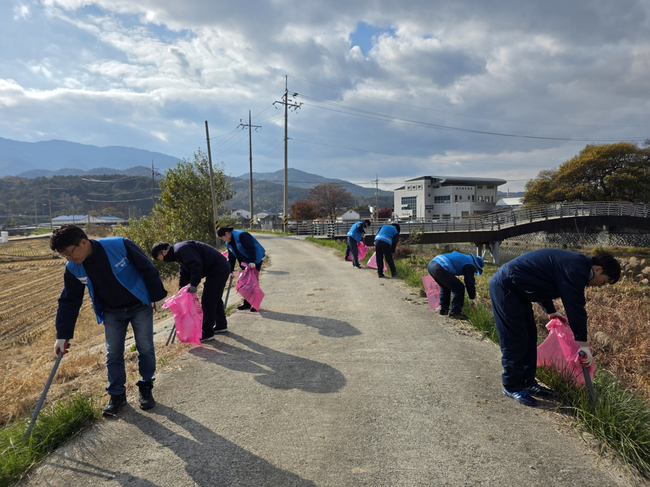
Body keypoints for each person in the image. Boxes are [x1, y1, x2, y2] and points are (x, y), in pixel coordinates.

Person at [50, 225, 168, 416]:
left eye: (69, 253)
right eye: (63, 256)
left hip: (139, 304)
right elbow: (69, 301)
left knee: (145, 347)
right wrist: (63, 335)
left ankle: (146, 386)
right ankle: (117, 394)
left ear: (83, 242)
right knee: (112, 353)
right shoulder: (73, 267)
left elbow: (147, 268)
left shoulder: (120, 245)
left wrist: (157, 295)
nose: (69, 259)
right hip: (111, 311)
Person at [489, 249, 620, 407]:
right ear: (598, 270)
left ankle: (527, 382)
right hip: (506, 287)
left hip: (519, 290)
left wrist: (550, 310)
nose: (600, 286)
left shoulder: (575, 265)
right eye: (604, 281)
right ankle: (512, 386)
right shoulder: (576, 269)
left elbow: (541, 281)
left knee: (530, 337)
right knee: (515, 339)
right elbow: (575, 307)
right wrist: (583, 345)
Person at [151, 240, 231, 342]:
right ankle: (221, 325)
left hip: (218, 269)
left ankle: (207, 332)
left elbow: (195, 264)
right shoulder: (178, 252)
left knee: (208, 300)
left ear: (164, 252)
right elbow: (184, 271)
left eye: (161, 259)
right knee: (214, 298)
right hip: (217, 268)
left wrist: (194, 283)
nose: (164, 261)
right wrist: (181, 289)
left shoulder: (181, 249)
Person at [217, 227, 266, 311]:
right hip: (244, 261)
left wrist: (252, 261)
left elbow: (250, 248)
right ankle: (247, 303)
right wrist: (230, 270)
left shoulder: (241, 235)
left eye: (223, 238)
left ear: (227, 233)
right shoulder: (228, 243)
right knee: (245, 282)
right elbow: (231, 257)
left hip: (255, 258)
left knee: (252, 281)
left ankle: (255, 304)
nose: (223, 240)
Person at [427, 252, 484, 320]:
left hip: (431, 265)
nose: (474, 272)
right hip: (440, 267)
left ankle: (444, 309)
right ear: (476, 266)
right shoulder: (470, 264)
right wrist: (472, 298)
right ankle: (455, 312)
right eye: (476, 270)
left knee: (445, 286)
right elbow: (469, 283)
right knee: (459, 287)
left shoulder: (465, 258)